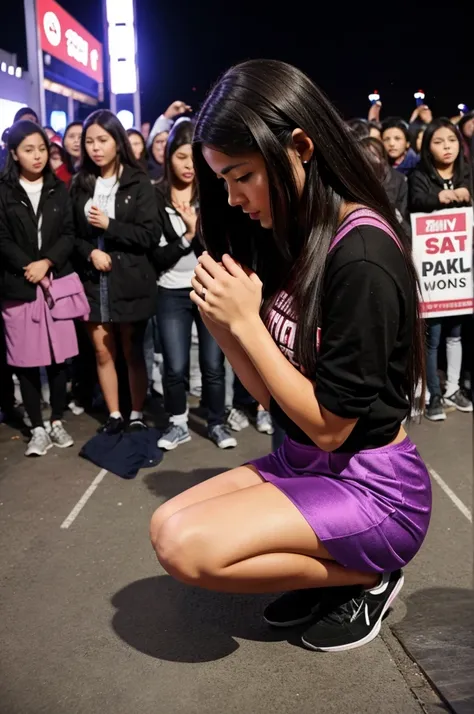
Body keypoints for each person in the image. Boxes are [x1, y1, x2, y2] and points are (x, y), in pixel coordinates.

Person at [150, 59, 432, 653]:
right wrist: (223, 322)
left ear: (300, 146)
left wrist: (246, 324)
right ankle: (333, 570)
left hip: (376, 488)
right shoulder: (291, 231)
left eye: (242, 175)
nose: (232, 197)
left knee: (187, 548)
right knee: (164, 526)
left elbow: (332, 427)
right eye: (222, 179)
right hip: (308, 460)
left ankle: (368, 574)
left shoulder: (360, 255)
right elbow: (268, 394)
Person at [152, 119, 236, 450]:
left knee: (213, 364)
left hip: (208, 287)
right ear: (168, 157)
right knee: (174, 365)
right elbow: (156, 256)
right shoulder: (156, 195)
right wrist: (186, 233)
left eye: (193, 158)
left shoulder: (214, 193)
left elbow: (220, 248)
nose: (188, 166)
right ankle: (177, 423)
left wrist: (196, 229)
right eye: (180, 157)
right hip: (169, 290)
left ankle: (216, 422)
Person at [71, 110, 158, 433]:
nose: (96, 148)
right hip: (94, 281)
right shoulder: (81, 183)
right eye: (90, 141)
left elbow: (149, 234)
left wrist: (110, 226)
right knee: (102, 350)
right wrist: (90, 251)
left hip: (130, 278)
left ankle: (136, 413)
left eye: (103, 140)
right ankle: (114, 414)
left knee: (131, 351)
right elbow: (72, 234)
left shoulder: (138, 182)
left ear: (117, 142)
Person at [0, 121, 77, 455]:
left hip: (54, 285)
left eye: (42, 149)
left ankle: (56, 420)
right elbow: (1, 237)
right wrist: (27, 265)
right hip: (18, 288)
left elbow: (70, 234)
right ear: (14, 153)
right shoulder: (4, 191)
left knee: (58, 360)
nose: (37, 156)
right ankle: (37, 426)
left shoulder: (57, 188)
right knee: (26, 362)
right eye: (29, 149)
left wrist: (47, 261)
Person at [409, 118, 473, 420]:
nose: (446, 147)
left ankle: (453, 389)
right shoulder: (420, 174)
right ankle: (432, 395)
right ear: (427, 146)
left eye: (451, 140)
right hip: (433, 272)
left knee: (456, 333)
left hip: (461, 272)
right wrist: (440, 197)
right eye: (438, 141)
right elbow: (416, 201)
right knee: (432, 336)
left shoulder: (466, 172)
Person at [359, 137, 410, 232]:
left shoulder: (398, 179)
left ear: (382, 156)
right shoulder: (355, 181)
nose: (370, 160)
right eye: (365, 156)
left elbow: (403, 214)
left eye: (373, 155)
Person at [147, 101, 192, 181]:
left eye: (167, 142)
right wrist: (167, 116)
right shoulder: (143, 177)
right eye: (159, 142)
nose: (164, 146)